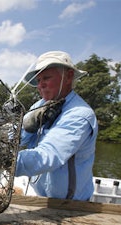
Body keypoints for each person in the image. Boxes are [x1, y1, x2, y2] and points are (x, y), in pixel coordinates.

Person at [14, 51, 98, 201]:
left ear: (69, 76)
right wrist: (28, 125)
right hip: (41, 195)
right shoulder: (39, 105)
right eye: (38, 80)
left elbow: (47, 156)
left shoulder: (80, 115)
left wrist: (1, 160)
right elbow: (14, 140)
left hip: (71, 204)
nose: (40, 85)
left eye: (46, 78)